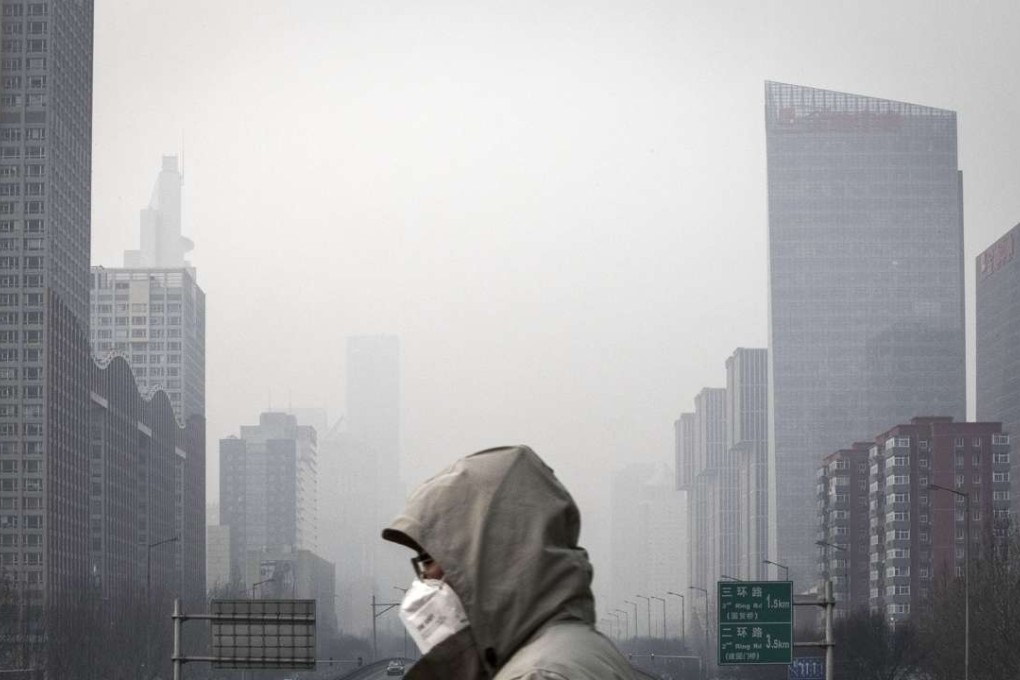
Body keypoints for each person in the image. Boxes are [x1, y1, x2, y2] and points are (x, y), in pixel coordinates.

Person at [382, 445, 637, 679]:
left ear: (479, 560)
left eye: (428, 561)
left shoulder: (538, 675)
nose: (425, 578)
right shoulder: (575, 653)